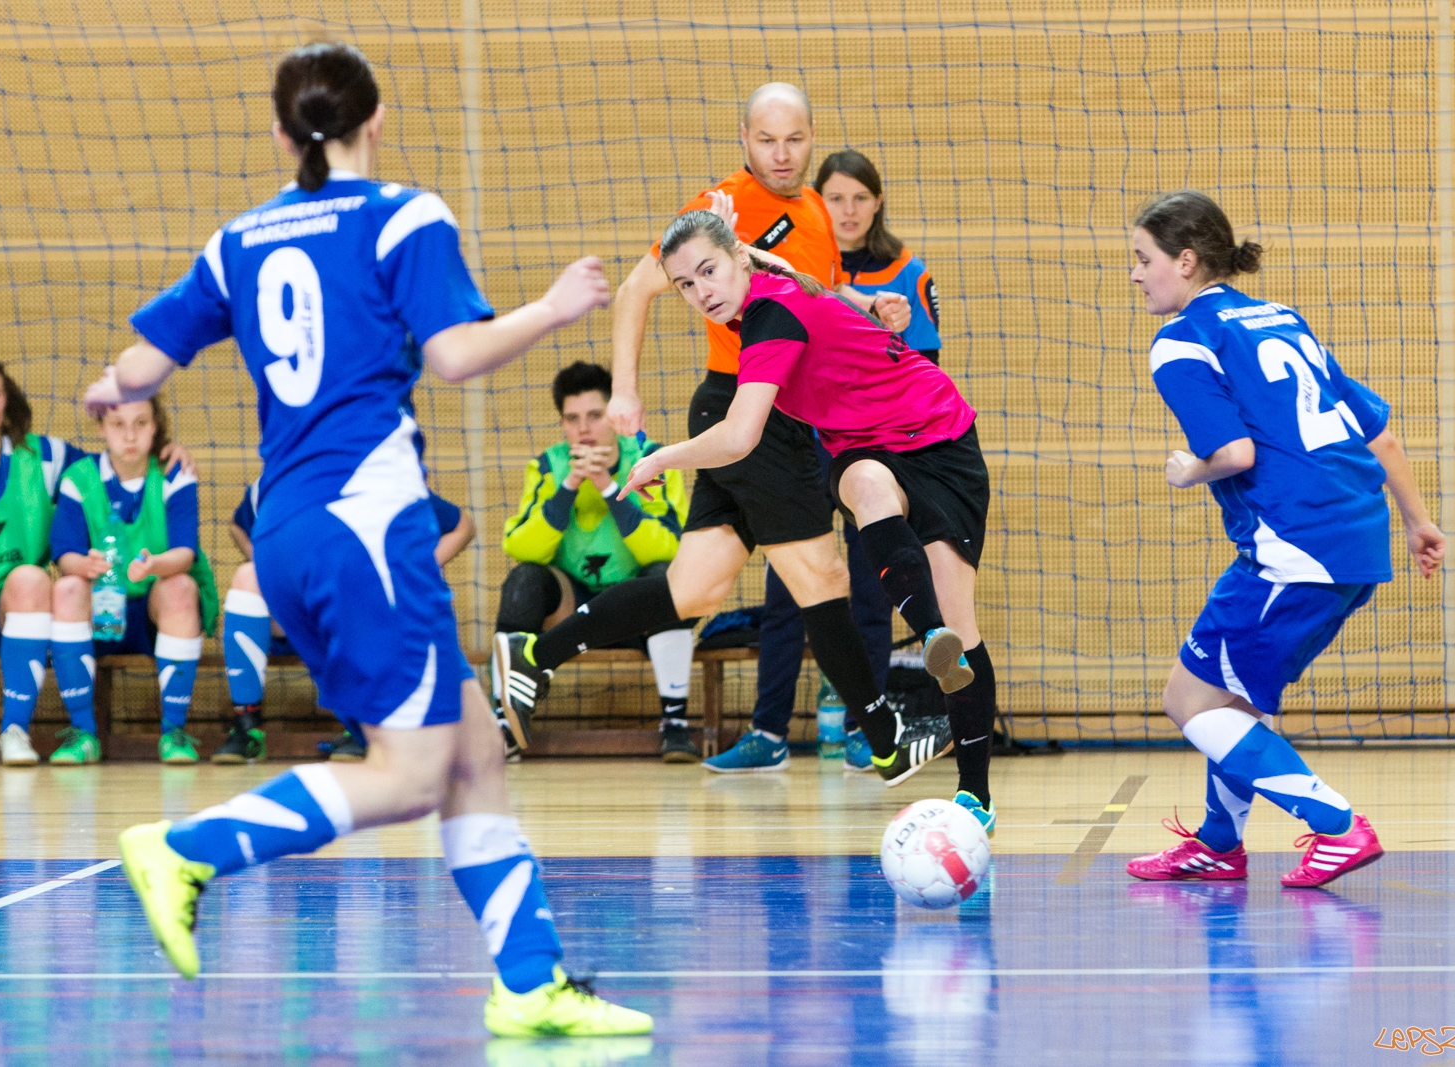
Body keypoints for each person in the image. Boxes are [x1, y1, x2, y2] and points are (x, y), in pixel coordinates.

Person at [107, 42, 650, 1037]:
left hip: (286, 525)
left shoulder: (241, 236)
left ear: (282, 132)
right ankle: (190, 846)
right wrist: (554, 306)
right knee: (408, 772)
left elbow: (142, 362)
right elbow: (451, 356)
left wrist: (115, 388)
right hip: (367, 521)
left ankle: (531, 979)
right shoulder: (404, 214)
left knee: (475, 744)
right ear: (379, 116)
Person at [497, 83, 953, 787]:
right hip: (745, 407)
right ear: (745, 138)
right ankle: (885, 737)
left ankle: (537, 655)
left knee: (694, 590)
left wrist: (868, 303)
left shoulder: (812, 210)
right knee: (822, 575)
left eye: (794, 139)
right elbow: (633, 290)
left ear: (809, 138)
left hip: (783, 412)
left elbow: (811, 292)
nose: (780, 153)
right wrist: (624, 387)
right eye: (766, 140)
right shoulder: (717, 210)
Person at [630, 209, 999, 833]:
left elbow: (741, 436)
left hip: (941, 441)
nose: (701, 293)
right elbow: (781, 272)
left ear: (739, 259)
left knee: (963, 629)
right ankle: (929, 631)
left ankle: (975, 793)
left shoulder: (773, 314)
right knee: (863, 483)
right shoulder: (770, 282)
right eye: (685, 285)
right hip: (865, 445)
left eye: (709, 271)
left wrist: (663, 457)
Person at [1121, 190, 1446, 888]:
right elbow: (1379, 432)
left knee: (1189, 700)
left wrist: (1188, 472)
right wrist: (1420, 520)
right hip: (1358, 534)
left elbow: (1233, 453)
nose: (1135, 274)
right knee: (1237, 702)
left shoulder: (1182, 340)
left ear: (1186, 259)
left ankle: (1337, 825)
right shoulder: (1281, 318)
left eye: (1143, 259)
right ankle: (1219, 843)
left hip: (1293, 547)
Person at [0, 353, 194, 766]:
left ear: (9, 400)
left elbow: (117, 464)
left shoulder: (48, 458)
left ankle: (15, 732)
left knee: (33, 579)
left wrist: (167, 452)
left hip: (18, 604)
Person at [492, 361, 697, 762]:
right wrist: (569, 486)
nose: (583, 429)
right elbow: (520, 547)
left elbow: (670, 548)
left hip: (637, 608)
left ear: (614, 415)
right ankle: (506, 722)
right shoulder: (549, 467)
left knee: (668, 579)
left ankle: (675, 724)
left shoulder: (650, 460)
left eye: (594, 415)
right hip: (574, 608)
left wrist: (608, 487)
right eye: (572, 419)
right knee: (524, 582)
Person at [216, 470, 475, 763]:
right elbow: (238, 525)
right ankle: (247, 727)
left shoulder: (378, 479)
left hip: (357, 612)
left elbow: (462, 526)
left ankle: (364, 726)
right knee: (247, 577)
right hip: (295, 617)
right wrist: (267, 564)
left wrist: (413, 569)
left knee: (369, 585)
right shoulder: (276, 480)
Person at [50, 395, 217, 765]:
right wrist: (85, 564)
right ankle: (83, 733)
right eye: (118, 424)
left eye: (141, 423)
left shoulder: (175, 473)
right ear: (101, 429)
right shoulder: (79, 478)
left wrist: (154, 564)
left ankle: (173, 732)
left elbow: (185, 553)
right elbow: (64, 555)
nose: (130, 436)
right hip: (102, 609)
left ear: (156, 427)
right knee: (67, 587)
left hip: (154, 611)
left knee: (180, 586)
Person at [817, 149, 941, 363]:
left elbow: (926, 365)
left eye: (861, 198)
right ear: (817, 202)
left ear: (877, 202)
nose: (849, 210)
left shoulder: (910, 272)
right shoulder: (802, 266)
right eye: (836, 198)